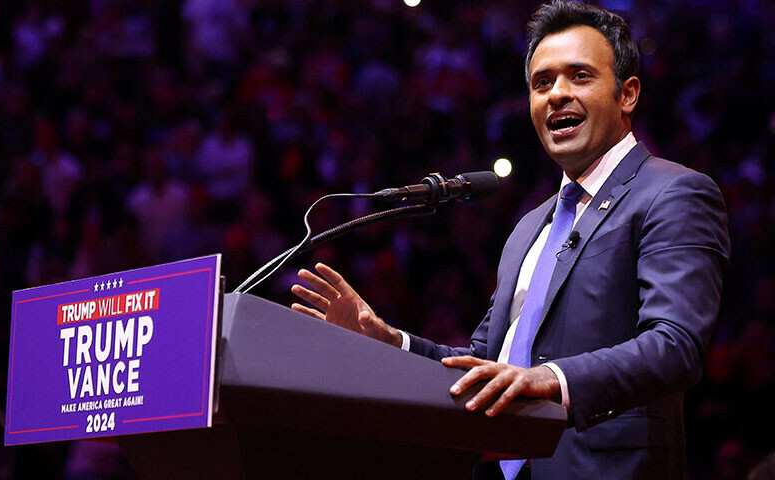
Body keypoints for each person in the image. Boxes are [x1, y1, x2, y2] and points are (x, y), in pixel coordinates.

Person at [290, 1, 730, 479]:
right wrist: (390, 341)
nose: (556, 94)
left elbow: (675, 345)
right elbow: (485, 364)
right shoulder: (530, 227)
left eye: (579, 76)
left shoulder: (673, 193)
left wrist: (550, 379)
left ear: (627, 95)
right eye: (542, 83)